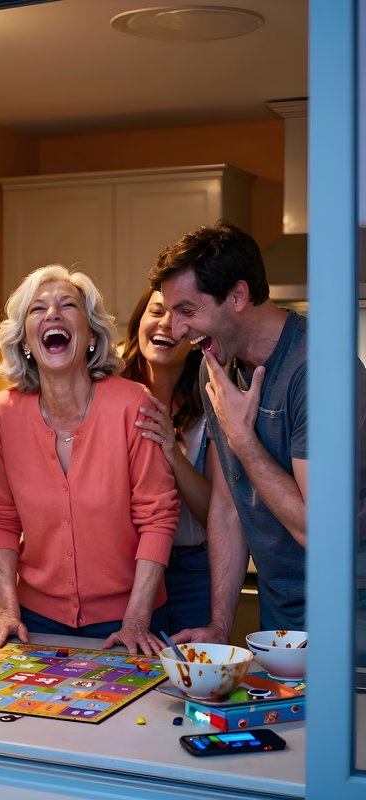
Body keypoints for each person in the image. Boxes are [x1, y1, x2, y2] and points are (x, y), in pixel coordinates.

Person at [0, 264, 179, 656]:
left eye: (67, 305)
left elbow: (158, 516)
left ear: (92, 335)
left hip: (130, 623)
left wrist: (135, 620)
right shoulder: (4, 413)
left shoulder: (132, 404)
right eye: (37, 309)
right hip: (35, 623)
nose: (52, 315)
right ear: (26, 341)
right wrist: (7, 609)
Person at [149, 219, 306, 641]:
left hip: (352, 603)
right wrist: (220, 625)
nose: (176, 330)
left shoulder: (313, 370)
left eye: (187, 310)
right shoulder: (213, 367)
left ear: (237, 295)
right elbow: (227, 506)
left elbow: (317, 528)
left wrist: (242, 440)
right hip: (281, 606)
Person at [121, 287, 213, 634]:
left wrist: (171, 450)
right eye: (157, 312)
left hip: (191, 571)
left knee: (193, 679)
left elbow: (211, 511)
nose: (167, 325)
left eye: (181, 316)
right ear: (139, 322)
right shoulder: (106, 393)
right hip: (126, 569)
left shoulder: (211, 403)